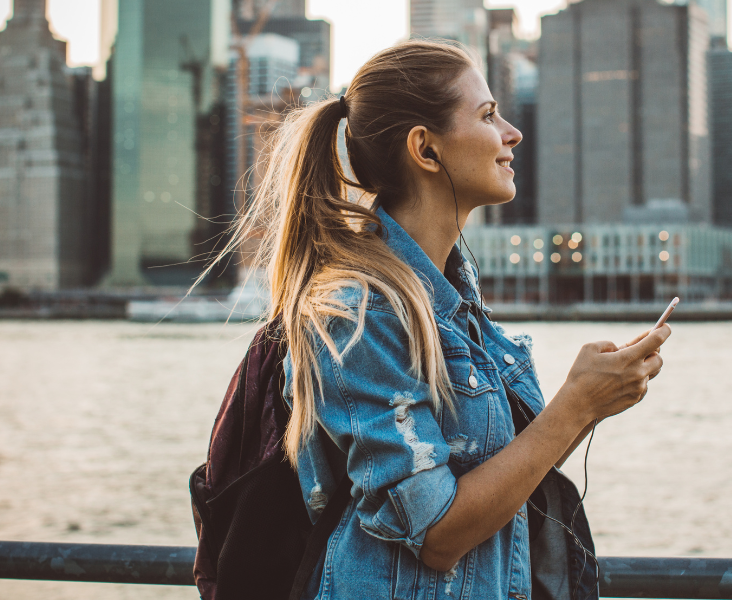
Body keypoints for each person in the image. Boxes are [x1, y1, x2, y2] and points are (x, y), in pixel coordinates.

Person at [223, 40, 670, 600]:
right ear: (425, 150)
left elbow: (499, 476)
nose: (513, 133)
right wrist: (574, 405)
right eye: (487, 116)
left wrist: (593, 402)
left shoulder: (455, 302)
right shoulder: (358, 312)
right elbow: (434, 532)